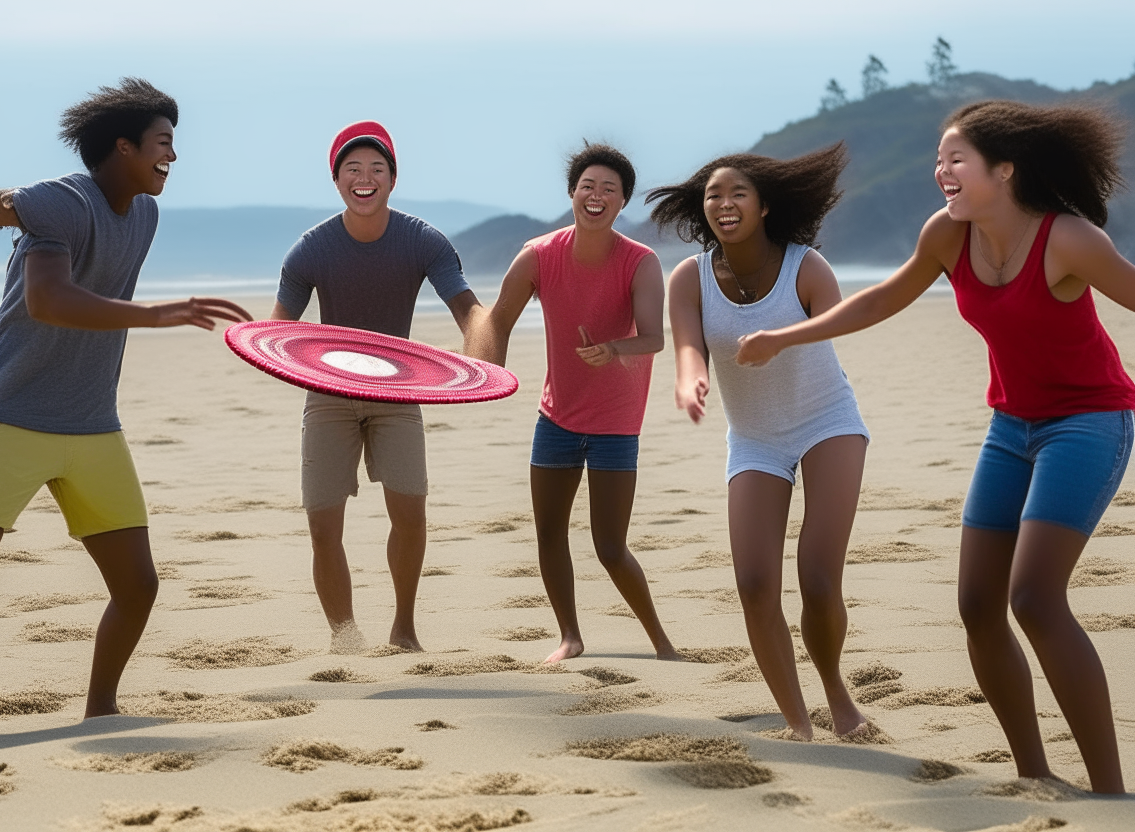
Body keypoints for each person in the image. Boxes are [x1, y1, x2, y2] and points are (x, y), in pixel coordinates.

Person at [736, 100, 1134, 793]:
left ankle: (1108, 790)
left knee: (1035, 597)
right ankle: (1036, 773)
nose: (941, 170)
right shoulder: (948, 236)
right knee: (979, 605)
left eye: (957, 159)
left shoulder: (1067, 238)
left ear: (1004, 170)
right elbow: (881, 299)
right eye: (939, 159)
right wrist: (785, 335)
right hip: (1010, 428)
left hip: (1089, 421)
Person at [0, 80, 252, 736]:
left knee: (137, 586)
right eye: (163, 144)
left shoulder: (146, 217)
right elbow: (22, 261)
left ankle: (100, 710)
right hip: (7, 417)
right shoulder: (65, 201)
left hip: (93, 425)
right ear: (123, 147)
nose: (173, 158)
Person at [647, 144, 870, 739]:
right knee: (753, 584)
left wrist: (782, 336)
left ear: (765, 206)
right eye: (713, 195)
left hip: (828, 422)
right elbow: (688, 344)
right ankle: (799, 725)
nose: (724, 203)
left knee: (819, 580)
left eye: (738, 193)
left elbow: (837, 319)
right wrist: (689, 377)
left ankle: (836, 693)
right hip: (754, 440)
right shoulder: (689, 278)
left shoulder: (805, 267)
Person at [271, 121, 483, 654]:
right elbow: (278, 332)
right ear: (337, 179)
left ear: (392, 178)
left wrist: (479, 359)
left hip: (397, 390)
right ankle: (344, 637)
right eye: (353, 170)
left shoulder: (423, 240)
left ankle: (404, 628)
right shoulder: (310, 250)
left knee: (410, 513)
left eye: (376, 169)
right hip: (328, 393)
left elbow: (470, 310)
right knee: (323, 525)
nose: (364, 179)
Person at [469, 143, 680, 663]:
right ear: (571, 194)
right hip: (556, 417)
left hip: (615, 423)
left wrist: (612, 349)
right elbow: (497, 320)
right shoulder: (540, 255)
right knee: (550, 535)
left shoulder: (641, 263)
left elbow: (654, 337)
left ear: (623, 201)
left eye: (609, 189)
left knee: (610, 547)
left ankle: (661, 641)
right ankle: (570, 636)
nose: (597, 195)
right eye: (588, 186)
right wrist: (477, 372)